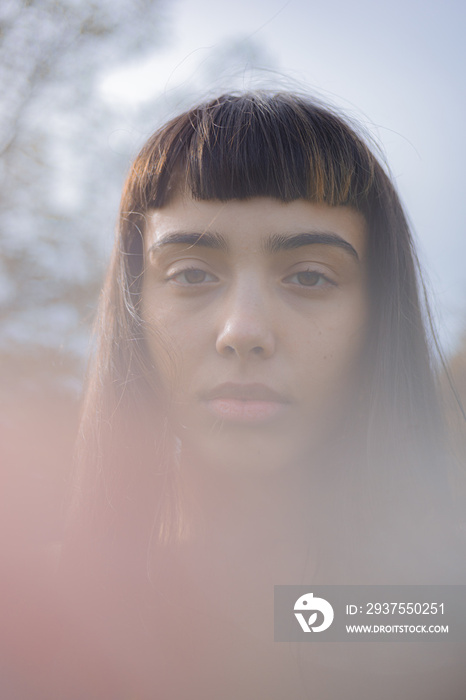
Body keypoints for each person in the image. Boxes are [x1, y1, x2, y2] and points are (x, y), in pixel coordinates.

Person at [49, 91, 465, 699]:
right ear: (134, 311)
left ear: (377, 318)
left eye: (309, 276)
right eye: (192, 274)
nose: (243, 330)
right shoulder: (31, 613)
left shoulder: (434, 621)